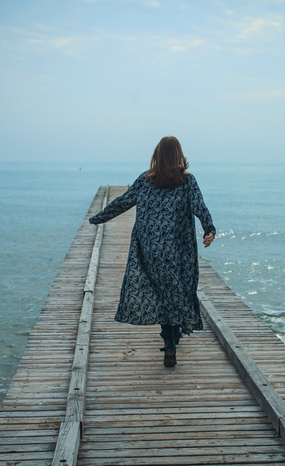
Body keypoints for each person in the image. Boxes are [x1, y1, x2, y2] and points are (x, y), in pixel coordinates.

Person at [89, 136, 215, 367]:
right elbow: (199, 206)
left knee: (161, 291)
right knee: (179, 289)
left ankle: (169, 342)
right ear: (179, 156)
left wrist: (99, 218)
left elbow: (123, 201)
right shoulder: (188, 182)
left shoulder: (146, 180)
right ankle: (172, 338)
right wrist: (209, 228)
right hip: (179, 249)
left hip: (150, 248)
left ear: (156, 156)